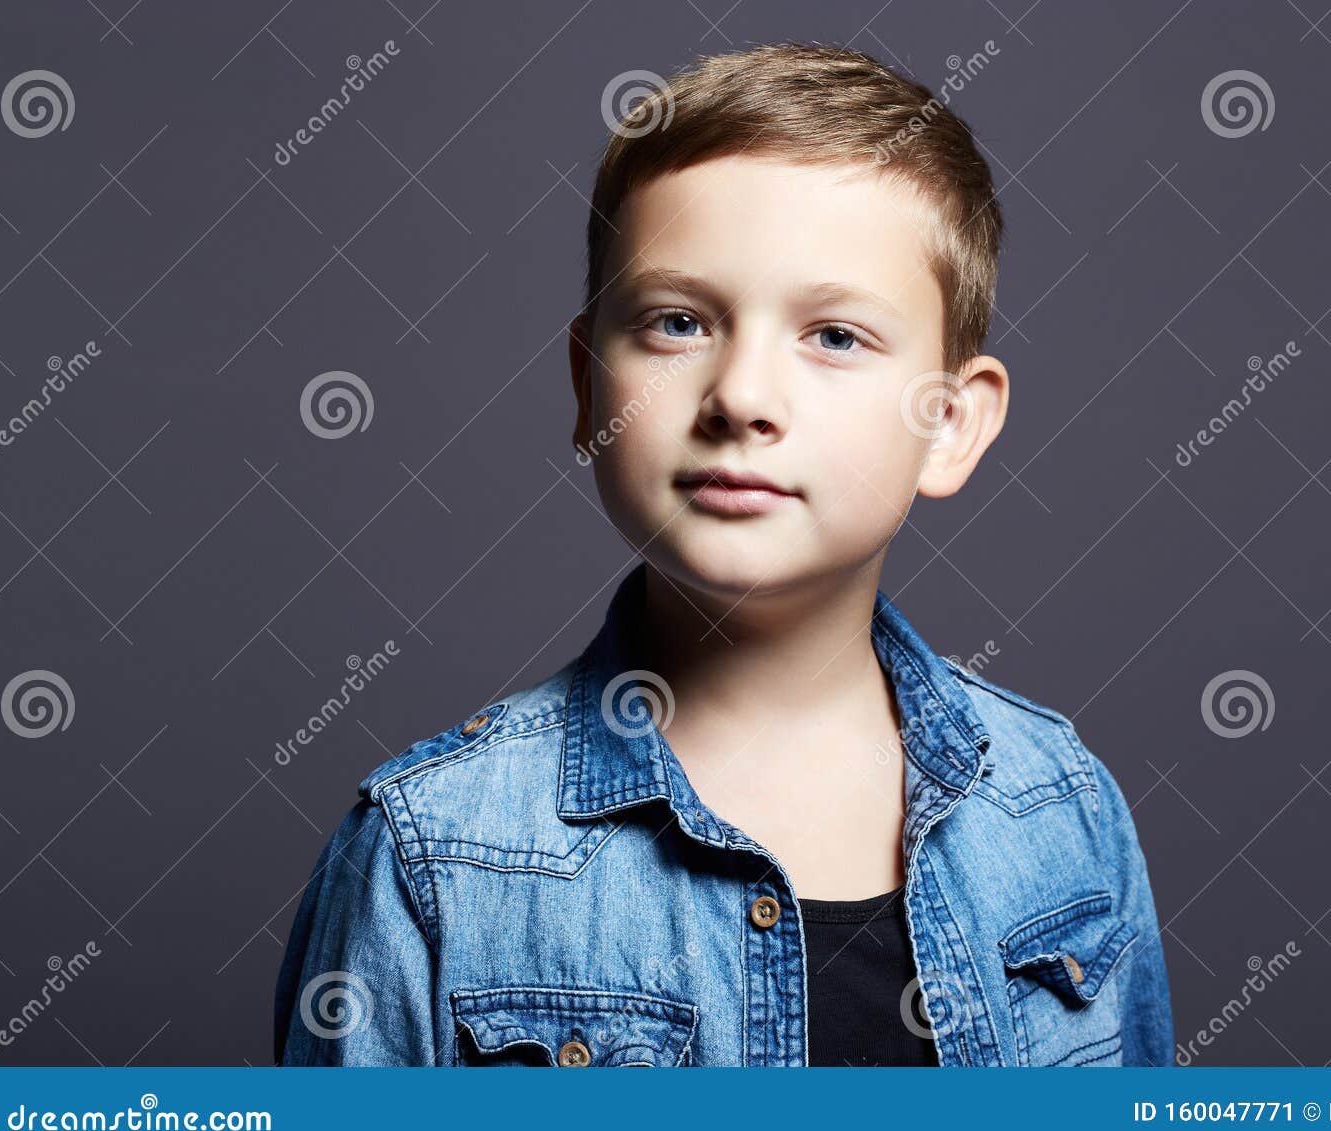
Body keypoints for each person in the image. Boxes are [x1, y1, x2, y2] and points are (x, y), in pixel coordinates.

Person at [275, 41, 1172, 1067]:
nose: (740, 396)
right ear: (586, 385)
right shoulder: (428, 853)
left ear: (950, 424)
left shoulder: (1062, 806)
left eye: (834, 336)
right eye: (676, 322)